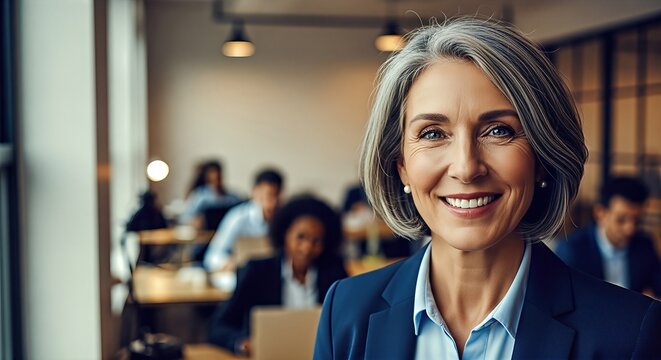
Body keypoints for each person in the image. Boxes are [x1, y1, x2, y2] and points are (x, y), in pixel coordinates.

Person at [313, 17, 661, 359]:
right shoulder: (345, 310)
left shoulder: (629, 334)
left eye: (498, 130)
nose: (466, 168)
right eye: (433, 133)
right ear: (401, 166)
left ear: (542, 156)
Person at [208, 195, 348, 355]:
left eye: (316, 241)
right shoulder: (257, 271)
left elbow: (349, 323)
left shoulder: (334, 273)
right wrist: (241, 342)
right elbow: (217, 326)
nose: (307, 248)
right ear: (285, 235)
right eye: (300, 237)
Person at [556, 176, 661, 297]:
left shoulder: (644, 245)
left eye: (637, 221)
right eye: (621, 220)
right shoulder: (572, 250)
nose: (630, 228)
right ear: (600, 213)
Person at [203, 168, 284, 271]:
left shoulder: (283, 220)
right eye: (269, 195)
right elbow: (212, 257)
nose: (274, 202)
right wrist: (228, 263)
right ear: (254, 193)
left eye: (277, 195)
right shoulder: (238, 218)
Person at [179, 160, 243, 227]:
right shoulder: (200, 196)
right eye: (213, 172)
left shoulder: (232, 197)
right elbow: (184, 217)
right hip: (206, 234)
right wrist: (194, 221)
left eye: (218, 171)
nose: (217, 174)